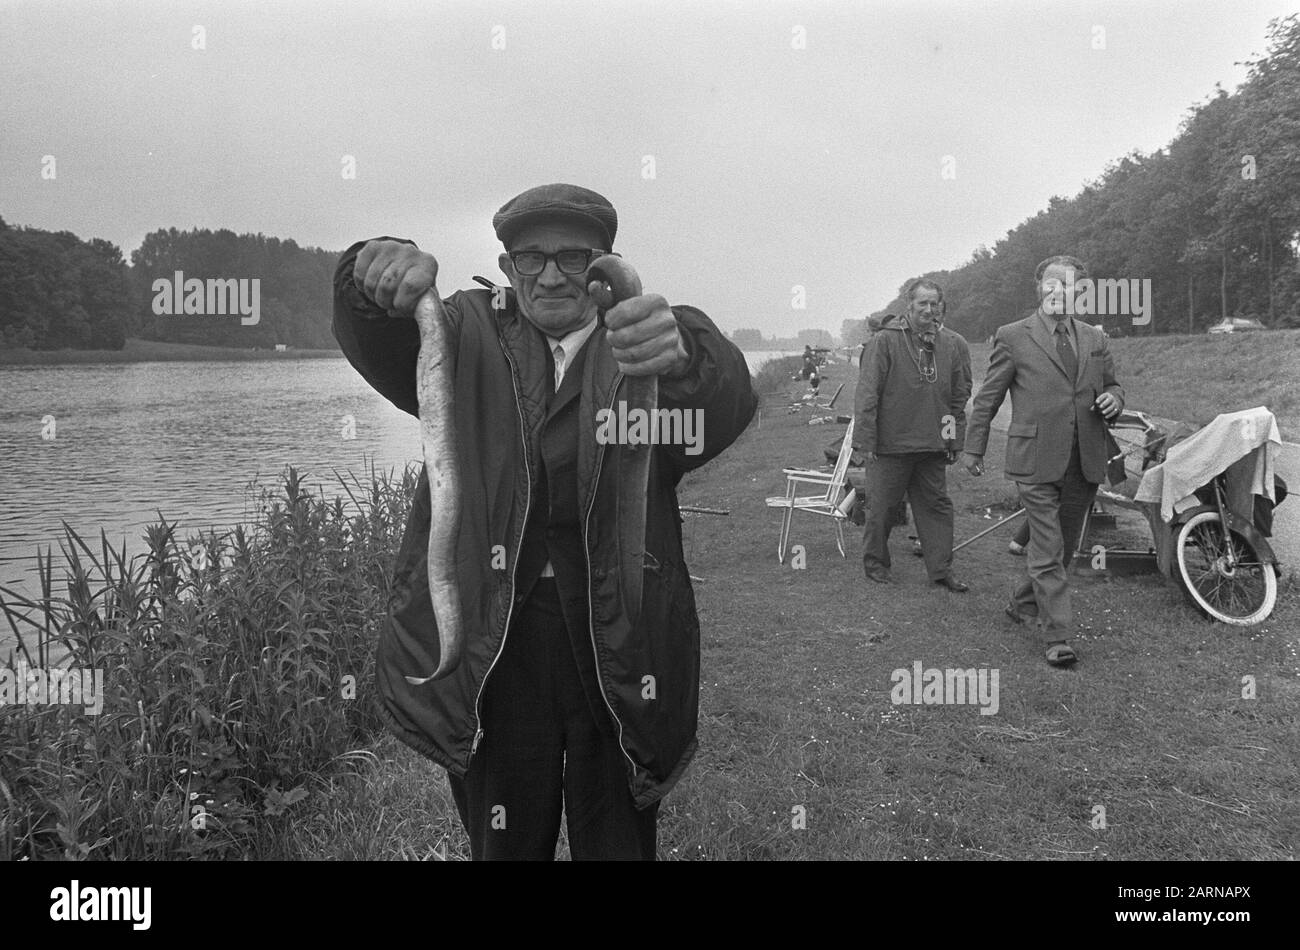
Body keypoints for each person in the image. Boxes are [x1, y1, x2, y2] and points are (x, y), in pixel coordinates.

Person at [332, 183, 757, 859]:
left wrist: (685, 357)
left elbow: (722, 403)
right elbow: (375, 333)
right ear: (505, 267)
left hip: (616, 635)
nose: (552, 274)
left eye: (574, 257)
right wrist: (368, 273)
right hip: (497, 643)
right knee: (505, 842)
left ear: (604, 264)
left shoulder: (644, 342)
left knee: (617, 838)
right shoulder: (459, 332)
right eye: (531, 258)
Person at [962, 255, 1124, 667]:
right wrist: (973, 448)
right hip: (1034, 459)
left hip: (1084, 459)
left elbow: (1113, 386)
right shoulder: (1013, 336)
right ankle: (1058, 637)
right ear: (1040, 288)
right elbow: (989, 398)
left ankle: (1021, 604)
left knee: (1064, 549)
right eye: (1053, 285)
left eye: (1070, 286)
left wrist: (1114, 400)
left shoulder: (1094, 338)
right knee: (1049, 548)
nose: (1060, 293)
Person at [854, 278, 972, 591]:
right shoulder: (885, 341)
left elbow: (958, 396)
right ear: (910, 305)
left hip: (933, 445)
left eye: (935, 304)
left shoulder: (952, 344)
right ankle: (876, 566)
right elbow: (867, 393)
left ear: (941, 307)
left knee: (937, 507)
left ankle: (940, 570)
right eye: (923, 303)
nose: (929, 310)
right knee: (881, 509)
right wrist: (866, 441)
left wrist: (952, 439)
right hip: (890, 446)